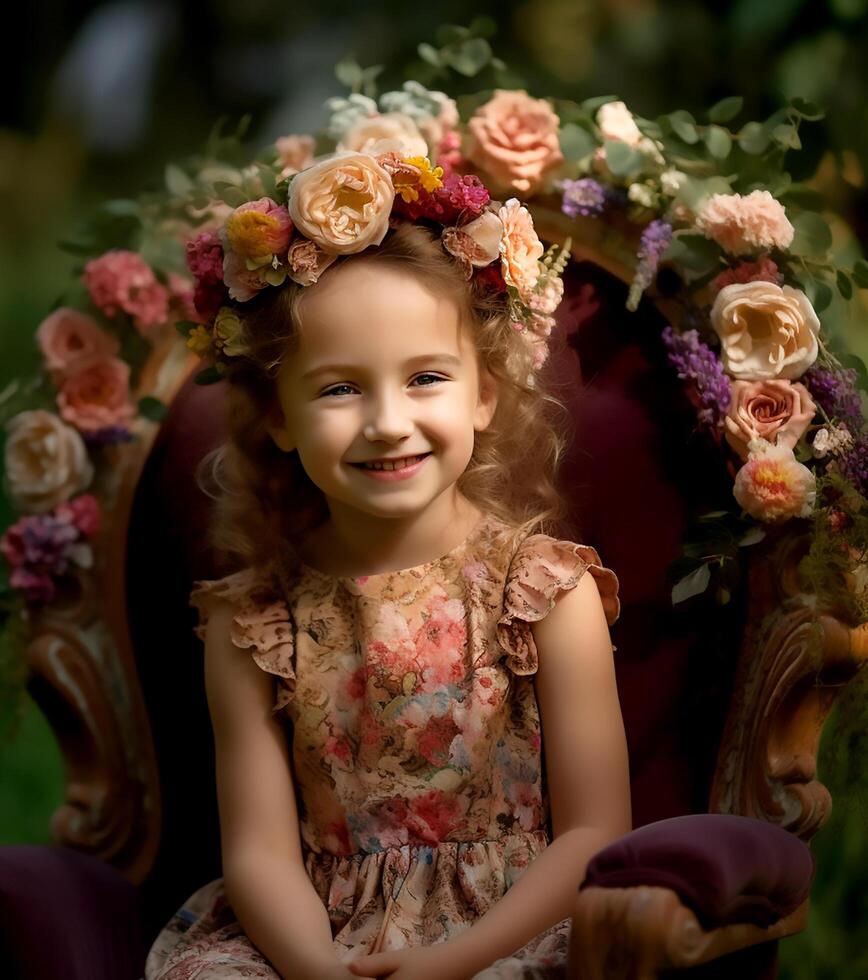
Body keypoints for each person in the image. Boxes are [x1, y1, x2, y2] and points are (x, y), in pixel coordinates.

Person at [144, 150, 631, 980]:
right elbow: (259, 853)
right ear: (279, 416)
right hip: (315, 937)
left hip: (508, 927)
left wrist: (451, 963)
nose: (387, 422)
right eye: (339, 390)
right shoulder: (254, 620)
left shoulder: (547, 591)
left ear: (483, 392)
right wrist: (317, 970)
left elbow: (596, 832)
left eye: (427, 378)